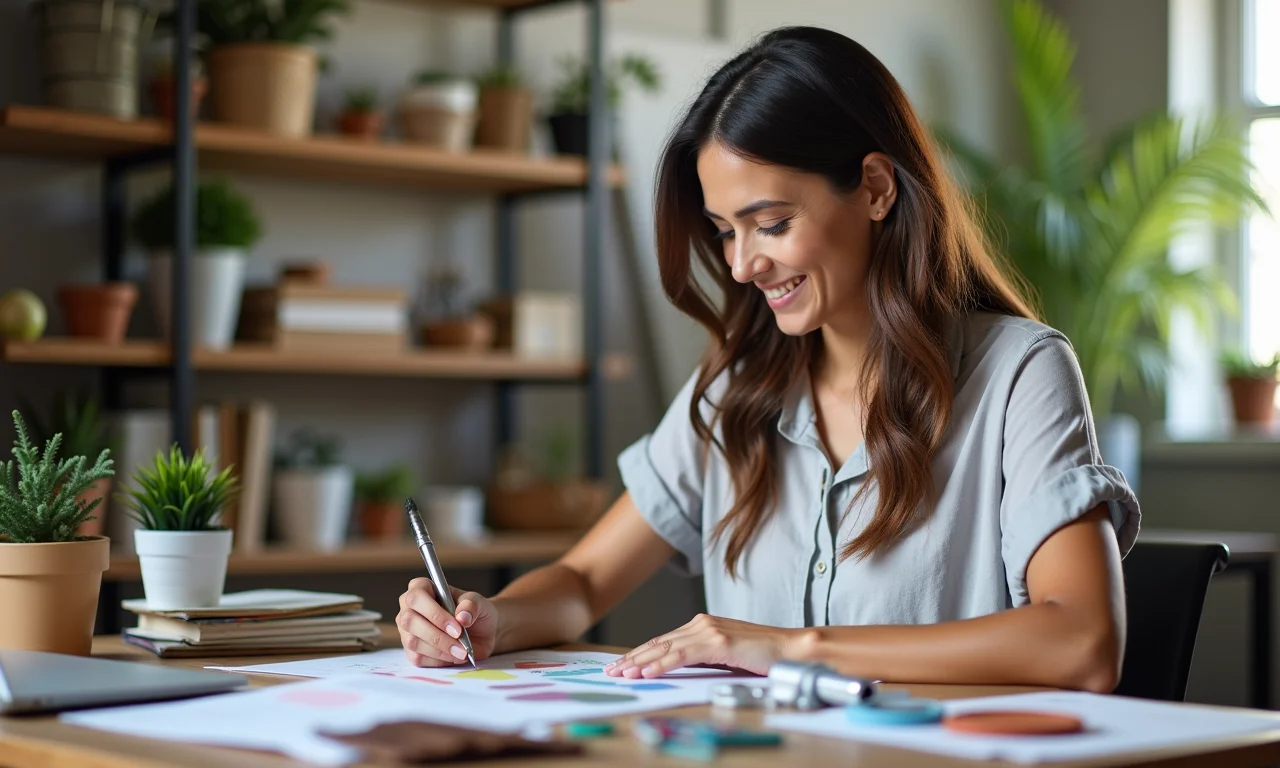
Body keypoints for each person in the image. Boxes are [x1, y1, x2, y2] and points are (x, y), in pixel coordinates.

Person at [397, 25, 1140, 691]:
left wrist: (790, 647)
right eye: (724, 230)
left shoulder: (1020, 374)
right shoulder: (737, 388)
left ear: (876, 188)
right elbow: (584, 580)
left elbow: (1080, 643)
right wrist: (490, 618)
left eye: (772, 223)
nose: (744, 264)